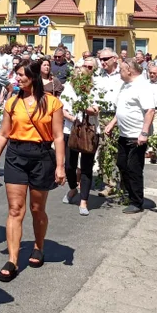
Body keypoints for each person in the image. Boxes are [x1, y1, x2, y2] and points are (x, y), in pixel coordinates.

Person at [0, 61, 65, 282]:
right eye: (17, 75)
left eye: (22, 75)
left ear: (33, 77)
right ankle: (13, 260)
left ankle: (38, 246)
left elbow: (59, 136)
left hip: (42, 156)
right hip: (16, 156)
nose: (18, 78)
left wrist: (60, 167)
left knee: (37, 208)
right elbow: (3, 134)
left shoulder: (52, 103)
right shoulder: (12, 103)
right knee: (15, 209)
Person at [104, 60, 155, 214]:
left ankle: (137, 202)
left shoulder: (142, 86)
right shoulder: (126, 84)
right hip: (124, 133)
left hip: (136, 135)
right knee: (122, 164)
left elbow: (150, 110)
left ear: (129, 70)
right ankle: (130, 194)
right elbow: (122, 108)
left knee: (134, 168)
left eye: (121, 69)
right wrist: (112, 123)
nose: (119, 72)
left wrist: (144, 133)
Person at [60, 56, 99, 215]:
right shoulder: (69, 88)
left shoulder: (95, 89)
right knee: (69, 165)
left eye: (81, 79)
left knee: (86, 166)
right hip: (70, 130)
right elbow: (62, 108)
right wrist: (71, 117)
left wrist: (82, 106)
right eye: (76, 78)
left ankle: (84, 201)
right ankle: (72, 189)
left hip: (89, 131)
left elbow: (95, 110)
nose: (78, 82)